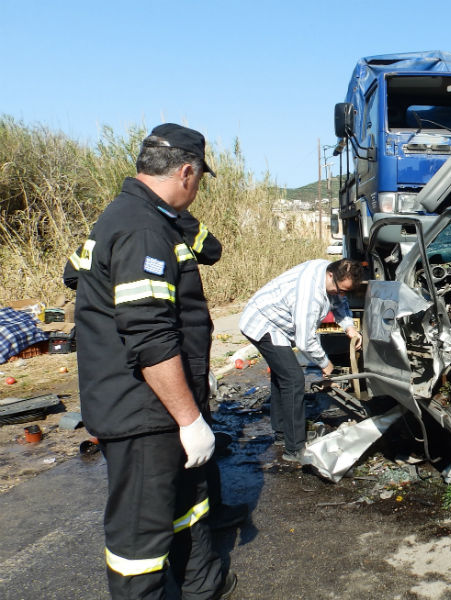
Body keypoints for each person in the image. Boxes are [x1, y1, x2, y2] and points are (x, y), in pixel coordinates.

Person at [69, 123, 236, 599]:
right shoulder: (142, 228)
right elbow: (148, 336)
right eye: (200, 178)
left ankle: (201, 587)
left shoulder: (139, 218)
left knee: (186, 508)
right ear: (187, 171)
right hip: (144, 412)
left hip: (157, 407)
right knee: (139, 540)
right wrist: (188, 418)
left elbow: (74, 274)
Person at [66, 210, 247, 531]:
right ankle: (198, 527)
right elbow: (211, 249)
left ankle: (190, 538)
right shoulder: (150, 227)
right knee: (190, 433)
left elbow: (71, 275)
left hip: (117, 371)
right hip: (161, 359)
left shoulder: (105, 230)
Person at [239, 259, 364, 461]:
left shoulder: (332, 275)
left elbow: (340, 303)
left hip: (278, 323)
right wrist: (326, 363)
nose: (340, 295)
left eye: (345, 292)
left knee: (283, 375)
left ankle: (281, 433)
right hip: (263, 321)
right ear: (331, 275)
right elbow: (305, 340)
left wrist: (349, 327)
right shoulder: (310, 294)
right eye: (339, 290)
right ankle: (294, 448)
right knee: (293, 379)